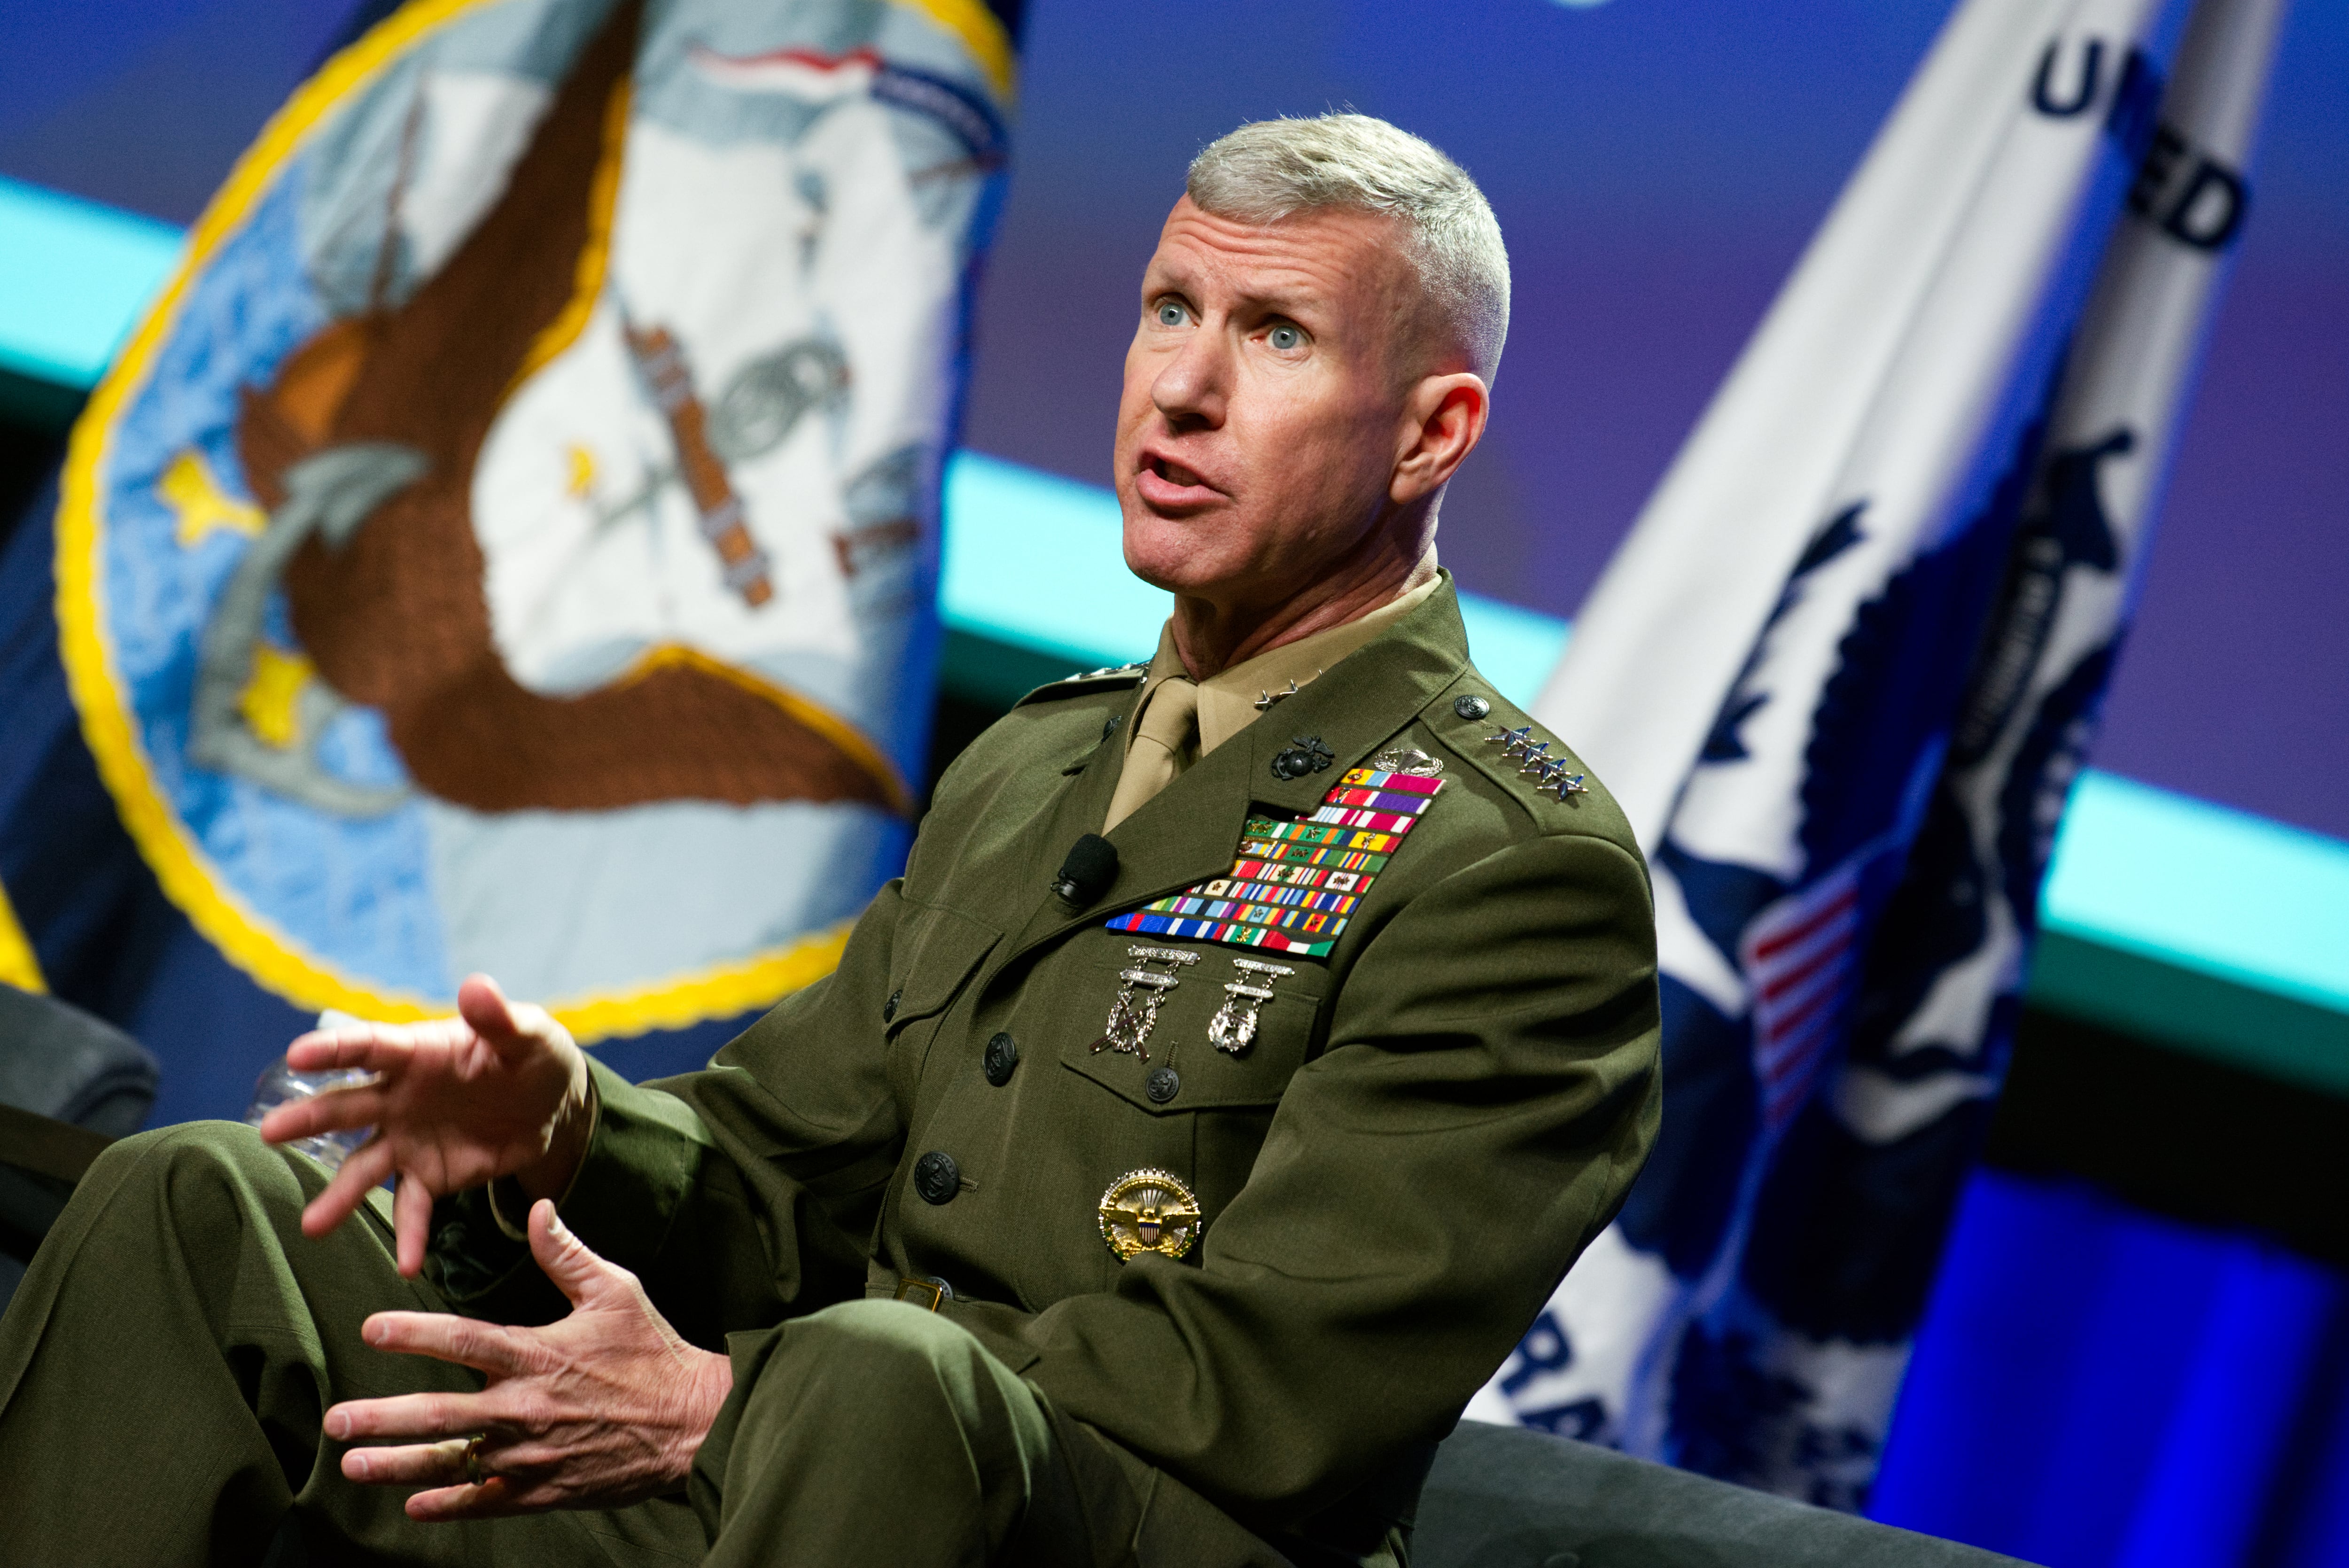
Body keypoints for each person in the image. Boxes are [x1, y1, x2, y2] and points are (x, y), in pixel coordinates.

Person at [0, 114, 1660, 1568]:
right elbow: (781, 1177)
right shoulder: (1034, 764)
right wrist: (566, 1126)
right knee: (202, 1200)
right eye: (1171, 308)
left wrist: (745, 1401)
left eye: (1277, 334)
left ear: (1433, 433)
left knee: (882, 1379)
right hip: (785, 1466)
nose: (1182, 385)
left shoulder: (1510, 864)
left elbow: (1274, 1386)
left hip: (1094, 1526)